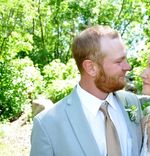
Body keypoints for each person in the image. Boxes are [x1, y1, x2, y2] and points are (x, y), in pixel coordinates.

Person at [30, 25, 143, 156]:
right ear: (91, 68)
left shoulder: (131, 102)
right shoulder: (47, 125)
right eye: (119, 61)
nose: (128, 66)